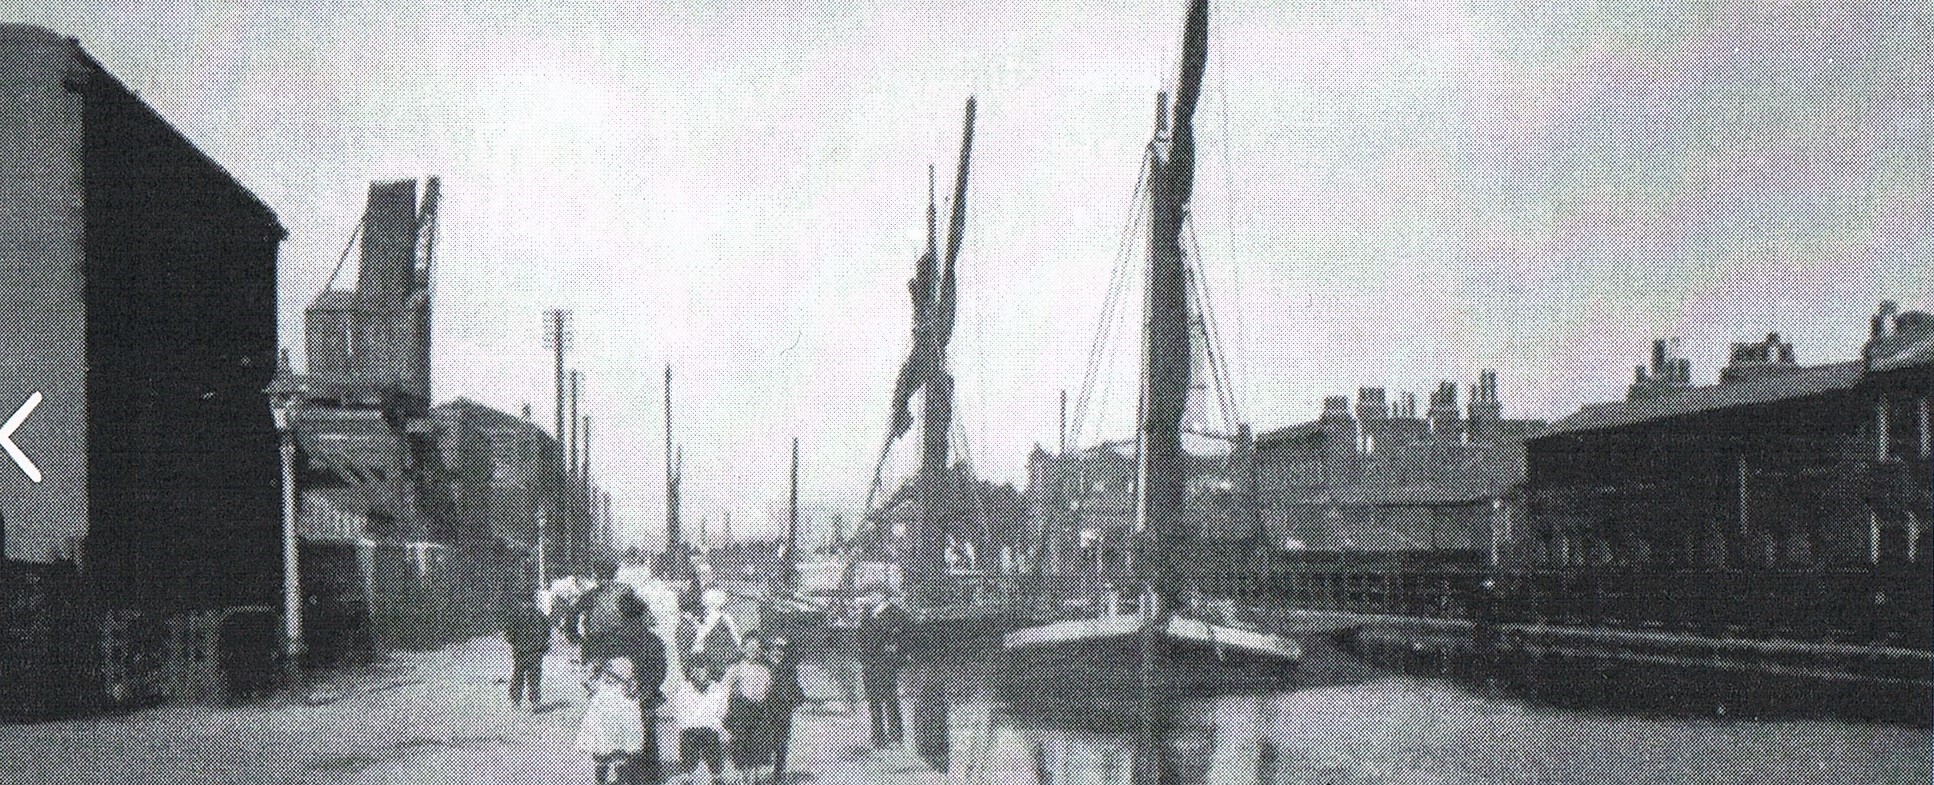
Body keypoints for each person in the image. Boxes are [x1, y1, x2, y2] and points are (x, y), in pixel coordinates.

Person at [615, 599, 669, 785]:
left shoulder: (614, 638)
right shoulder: (653, 639)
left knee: (622, 738)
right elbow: (661, 670)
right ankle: (650, 779)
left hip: (621, 697)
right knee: (647, 738)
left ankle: (625, 777)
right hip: (645, 697)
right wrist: (646, 689)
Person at [577, 657, 645, 785]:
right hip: (604, 720)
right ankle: (603, 780)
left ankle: (619, 780)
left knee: (619, 751)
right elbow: (586, 681)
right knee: (603, 751)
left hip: (619, 717)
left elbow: (586, 683)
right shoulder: (602, 681)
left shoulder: (626, 685)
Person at [575, 560, 648, 675]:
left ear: (595, 575)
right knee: (622, 680)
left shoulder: (590, 595)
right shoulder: (626, 591)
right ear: (615, 574)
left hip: (594, 643)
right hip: (621, 643)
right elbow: (641, 615)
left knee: (593, 681)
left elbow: (572, 616)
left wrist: (576, 638)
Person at [857, 589, 910, 747]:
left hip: (887, 664)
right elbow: (861, 637)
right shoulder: (866, 612)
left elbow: (905, 637)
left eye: (874, 593)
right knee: (874, 701)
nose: (869, 597)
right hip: (869, 664)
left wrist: (898, 657)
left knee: (890, 699)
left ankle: (895, 735)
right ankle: (878, 736)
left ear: (882, 595)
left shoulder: (896, 612)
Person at [723, 632, 774, 784]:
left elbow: (767, 692)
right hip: (740, 712)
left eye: (756, 648)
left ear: (760, 650)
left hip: (758, 712)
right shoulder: (735, 669)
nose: (753, 651)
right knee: (740, 745)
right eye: (750, 648)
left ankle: (755, 778)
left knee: (757, 745)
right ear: (743, 649)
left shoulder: (765, 671)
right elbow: (725, 692)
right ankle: (741, 777)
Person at [673, 664, 730, 785]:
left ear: (709, 670)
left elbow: (722, 711)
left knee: (713, 753)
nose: (698, 672)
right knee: (688, 749)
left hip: (710, 729)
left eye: (702, 668)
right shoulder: (684, 689)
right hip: (690, 730)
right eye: (695, 669)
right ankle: (688, 777)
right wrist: (691, 726)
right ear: (691, 672)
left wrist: (711, 725)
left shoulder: (717, 689)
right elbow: (679, 712)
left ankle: (716, 777)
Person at [678, 587, 743, 685]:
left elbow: (737, 645)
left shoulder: (724, 619)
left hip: (716, 670)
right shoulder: (689, 621)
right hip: (698, 669)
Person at [766, 635, 804, 785]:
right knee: (766, 741)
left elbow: (799, 693)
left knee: (781, 743)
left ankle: (778, 774)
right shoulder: (763, 666)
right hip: (765, 711)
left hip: (782, 712)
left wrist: (790, 703)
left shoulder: (789, 669)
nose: (778, 652)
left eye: (782, 649)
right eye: (775, 648)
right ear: (769, 650)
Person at [504, 596, 552, 710]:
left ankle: (521, 700)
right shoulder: (537, 614)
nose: (527, 605)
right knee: (528, 676)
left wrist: (514, 642)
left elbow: (509, 632)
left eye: (528, 603)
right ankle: (529, 701)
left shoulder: (518, 615)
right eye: (526, 603)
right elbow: (547, 631)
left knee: (523, 675)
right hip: (531, 651)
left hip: (525, 650)